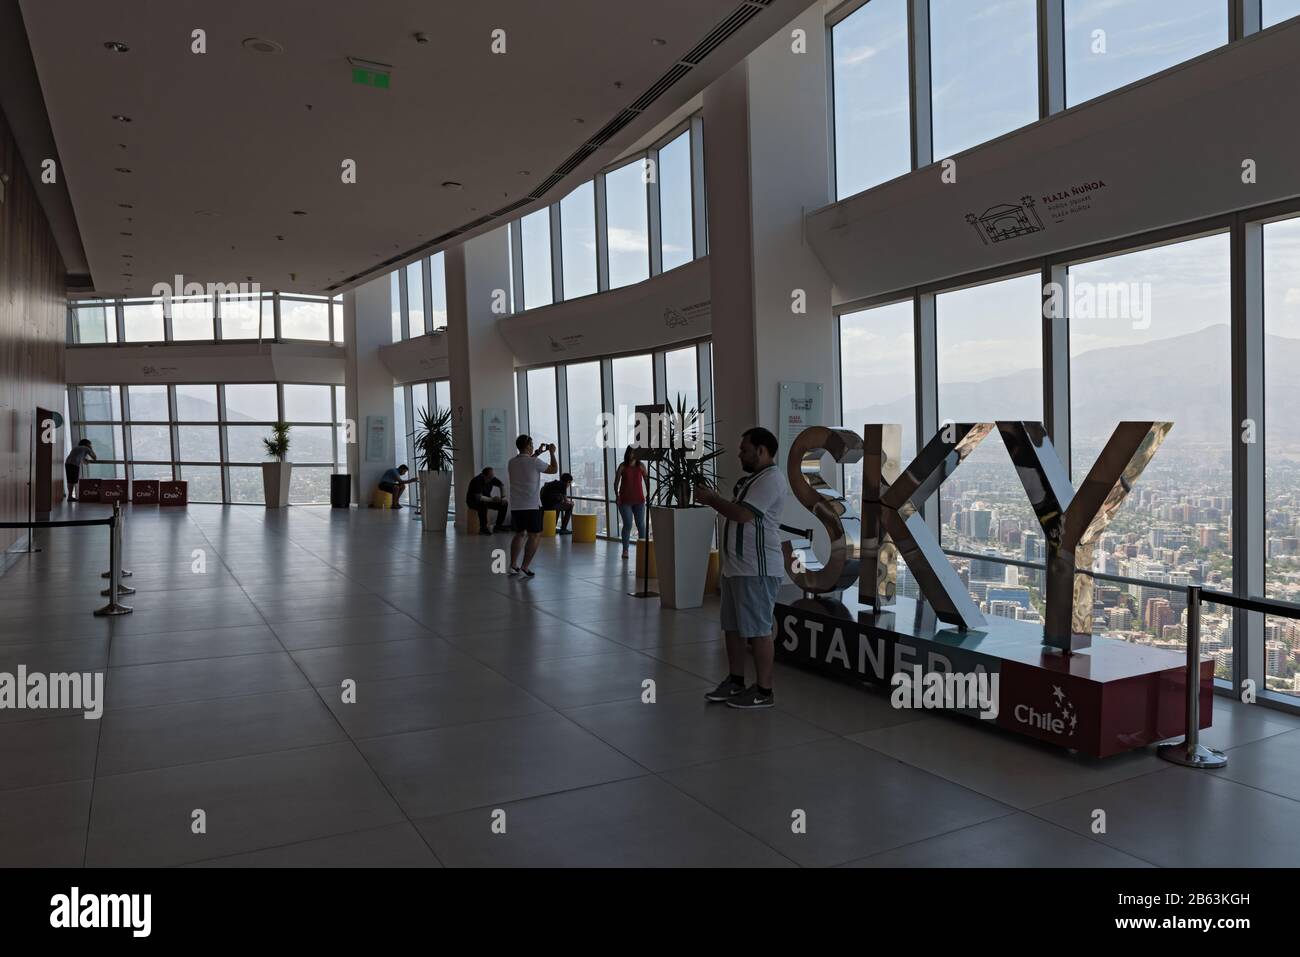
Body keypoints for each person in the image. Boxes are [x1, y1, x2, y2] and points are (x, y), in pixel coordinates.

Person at [694, 426, 789, 711]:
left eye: (744, 449)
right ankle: (736, 681)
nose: (739, 454)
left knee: (759, 630)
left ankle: (764, 690)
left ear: (761, 451)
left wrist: (712, 499)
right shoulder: (754, 480)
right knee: (733, 628)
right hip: (737, 569)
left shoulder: (771, 480)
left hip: (756, 570)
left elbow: (742, 514)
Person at [507, 435, 557, 577]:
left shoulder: (511, 462)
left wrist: (538, 453)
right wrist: (552, 452)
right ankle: (525, 566)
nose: (532, 446)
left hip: (516, 505)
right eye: (531, 444)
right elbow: (554, 469)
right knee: (534, 535)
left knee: (519, 534)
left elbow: (526, 462)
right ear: (528, 446)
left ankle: (513, 565)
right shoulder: (535, 462)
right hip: (532, 505)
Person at [614, 446, 647, 560]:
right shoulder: (622, 466)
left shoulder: (641, 466)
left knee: (641, 525)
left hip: (639, 501)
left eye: (634, 453)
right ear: (627, 453)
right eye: (630, 453)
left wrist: (649, 494)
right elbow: (616, 482)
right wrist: (617, 496)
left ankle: (643, 549)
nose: (632, 455)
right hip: (624, 501)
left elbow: (647, 480)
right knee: (627, 525)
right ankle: (625, 550)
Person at [466, 466, 509, 534]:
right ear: (484, 475)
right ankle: (483, 527)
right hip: (473, 502)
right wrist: (493, 499)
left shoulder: (492, 478)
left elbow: (501, 485)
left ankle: (498, 526)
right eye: (490, 476)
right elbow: (478, 497)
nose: (492, 478)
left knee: (504, 503)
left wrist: (503, 497)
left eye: (492, 475)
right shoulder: (476, 481)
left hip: (487, 500)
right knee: (482, 504)